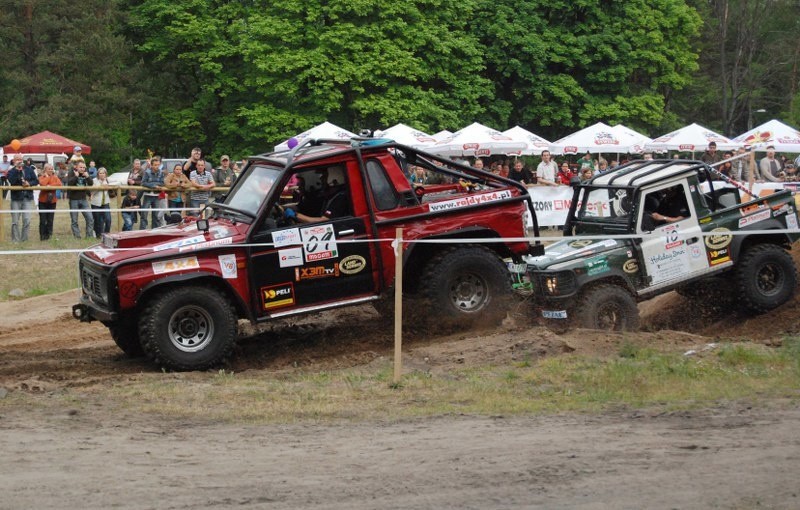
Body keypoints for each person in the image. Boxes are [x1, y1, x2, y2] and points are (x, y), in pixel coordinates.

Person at [7, 154, 39, 242]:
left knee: (27, 219)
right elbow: (12, 181)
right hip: (16, 198)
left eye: (21, 159)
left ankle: (24, 239)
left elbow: (36, 180)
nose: (19, 161)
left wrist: (29, 183)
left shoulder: (29, 169)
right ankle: (15, 240)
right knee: (15, 221)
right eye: (17, 159)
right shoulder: (11, 171)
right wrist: (17, 170)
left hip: (27, 197)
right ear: (13, 161)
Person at [67, 161, 94, 238]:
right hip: (73, 200)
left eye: (83, 167)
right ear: (76, 167)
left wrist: (88, 177)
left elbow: (90, 184)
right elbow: (69, 183)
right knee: (74, 220)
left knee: (90, 218)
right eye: (80, 167)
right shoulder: (71, 173)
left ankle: (89, 236)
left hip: (83, 199)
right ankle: (77, 237)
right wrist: (76, 176)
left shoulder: (85, 174)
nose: (82, 169)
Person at [140, 156, 167, 229]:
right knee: (144, 214)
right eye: (155, 165)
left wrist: (155, 184)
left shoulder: (161, 173)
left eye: (158, 165)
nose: (157, 166)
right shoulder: (147, 172)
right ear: (151, 165)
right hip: (148, 195)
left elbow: (162, 183)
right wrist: (153, 185)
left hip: (156, 196)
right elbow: (143, 183)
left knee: (156, 215)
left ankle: (155, 230)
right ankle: (142, 231)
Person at [37, 163, 61, 241]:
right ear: (45, 170)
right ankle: (42, 236)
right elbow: (42, 183)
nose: (51, 170)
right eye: (49, 169)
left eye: (51, 169)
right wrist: (47, 178)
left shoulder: (55, 177)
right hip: (42, 201)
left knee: (50, 219)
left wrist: (50, 186)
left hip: (52, 201)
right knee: (43, 220)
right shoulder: (41, 177)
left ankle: (49, 235)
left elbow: (59, 184)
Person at [90, 168, 113, 237]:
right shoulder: (94, 180)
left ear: (105, 174)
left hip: (105, 203)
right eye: (100, 173)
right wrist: (101, 186)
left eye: (103, 173)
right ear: (98, 174)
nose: (102, 174)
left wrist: (109, 186)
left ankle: (106, 234)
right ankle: (98, 234)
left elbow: (117, 183)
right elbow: (92, 192)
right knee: (97, 220)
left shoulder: (108, 180)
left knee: (108, 219)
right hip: (96, 203)